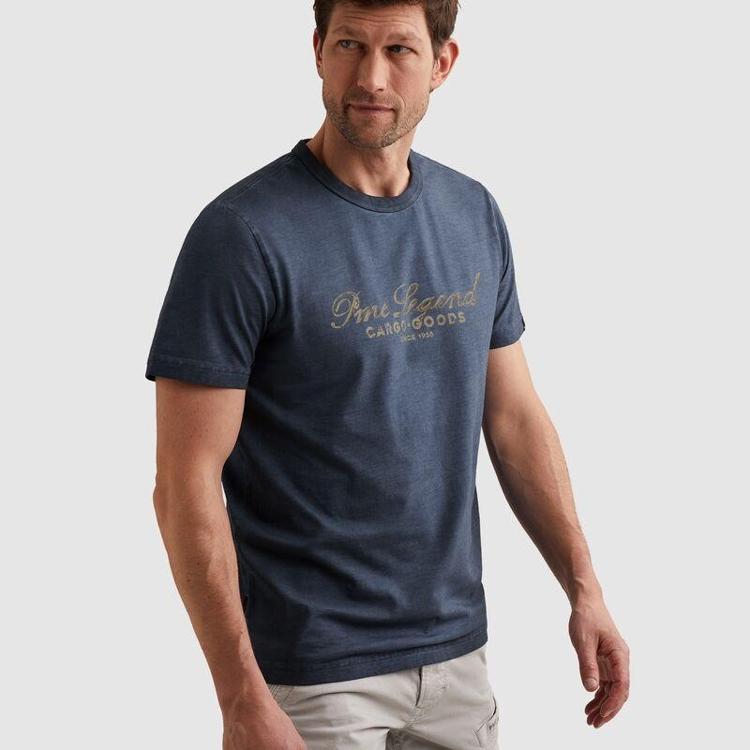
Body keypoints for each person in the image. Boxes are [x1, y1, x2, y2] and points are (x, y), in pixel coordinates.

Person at [145, 1, 630, 748]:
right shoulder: (242, 234)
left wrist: (584, 587)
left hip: (458, 659)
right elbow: (184, 482)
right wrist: (240, 694)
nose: (371, 77)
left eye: (399, 50)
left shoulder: (472, 213)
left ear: (442, 62)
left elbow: (514, 419)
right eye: (350, 44)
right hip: (313, 676)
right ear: (317, 49)